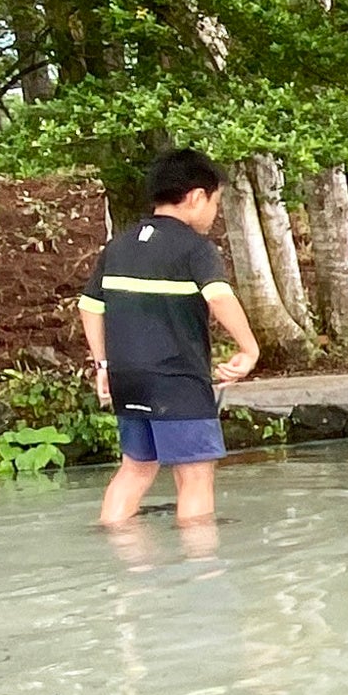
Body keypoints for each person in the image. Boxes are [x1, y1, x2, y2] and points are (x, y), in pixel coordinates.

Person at [78, 148, 261, 529]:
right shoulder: (196, 249)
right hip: (176, 380)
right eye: (215, 201)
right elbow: (219, 296)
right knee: (194, 475)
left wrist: (102, 366)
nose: (214, 212)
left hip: (127, 377)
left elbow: (89, 307)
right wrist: (249, 348)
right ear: (196, 196)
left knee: (135, 469)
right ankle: (199, 573)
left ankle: (118, 556)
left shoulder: (120, 246)